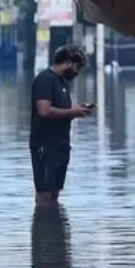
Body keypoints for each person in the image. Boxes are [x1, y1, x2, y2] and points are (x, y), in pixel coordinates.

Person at [30, 44, 94, 205]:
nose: (77, 72)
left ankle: (53, 221)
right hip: (45, 147)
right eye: (77, 67)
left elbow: (63, 111)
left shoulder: (63, 82)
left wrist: (78, 110)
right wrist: (72, 112)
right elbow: (44, 111)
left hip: (62, 146)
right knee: (44, 195)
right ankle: (42, 220)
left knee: (55, 195)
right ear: (68, 63)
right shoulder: (45, 80)